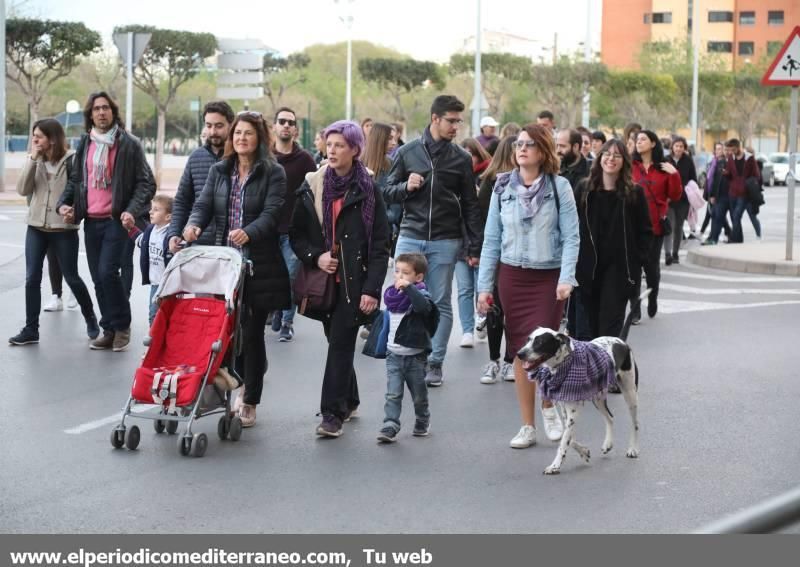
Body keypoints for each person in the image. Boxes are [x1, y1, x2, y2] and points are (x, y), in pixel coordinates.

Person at [183, 111, 290, 428]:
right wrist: (192, 225)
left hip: (258, 265)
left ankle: (250, 400)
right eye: (237, 133)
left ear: (259, 139)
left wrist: (250, 232)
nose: (241, 138)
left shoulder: (273, 172)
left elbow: (272, 214)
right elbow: (203, 205)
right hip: (224, 264)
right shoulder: (220, 170)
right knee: (226, 333)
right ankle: (232, 389)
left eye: (248, 133)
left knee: (252, 334)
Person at [476, 123, 580, 447]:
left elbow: (571, 236)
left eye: (529, 145)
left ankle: (548, 406)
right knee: (521, 352)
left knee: (543, 349)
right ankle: (527, 425)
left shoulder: (559, 187)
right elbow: (491, 239)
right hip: (512, 276)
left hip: (547, 277)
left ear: (543, 151)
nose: (521, 149)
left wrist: (566, 278)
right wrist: (484, 287)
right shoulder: (501, 187)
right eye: (519, 144)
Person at [290, 120, 390, 438]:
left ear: (355, 149)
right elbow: (297, 235)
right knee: (338, 342)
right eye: (328, 144)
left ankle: (332, 414)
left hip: (354, 282)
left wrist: (372, 289)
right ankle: (350, 398)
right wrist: (315, 256)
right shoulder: (313, 185)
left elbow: (380, 244)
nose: (332, 151)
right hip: (323, 282)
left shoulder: (368, 188)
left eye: (339, 146)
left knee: (341, 345)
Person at [383, 95, 483, 387]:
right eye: (451, 120)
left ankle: (434, 362)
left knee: (439, 302)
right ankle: (402, 355)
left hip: (446, 239)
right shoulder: (408, 152)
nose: (456, 127)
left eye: (458, 121)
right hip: (411, 234)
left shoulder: (461, 158)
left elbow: (470, 205)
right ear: (435, 118)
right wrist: (405, 186)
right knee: (401, 295)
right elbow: (386, 191)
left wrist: (473, 245)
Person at [57, 91, 155, 352]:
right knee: (98, 279)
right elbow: (77, 181)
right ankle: (108, 328)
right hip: (91, 220)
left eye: (106, 108)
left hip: (116, 220)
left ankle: (122, 325)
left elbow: (146, 183)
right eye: (96, 109)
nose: (101, 113)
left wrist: (131, 210)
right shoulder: (85, 144)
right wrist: (64, 205)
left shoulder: (128, 144)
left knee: (107, 273)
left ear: (113, 112)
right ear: (90, 115)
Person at [10, 118, 100, 346]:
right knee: (32, 278)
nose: (35, 140)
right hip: (36, 227)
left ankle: (90, 317)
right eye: (33, 136)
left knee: (71, 276)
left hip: (63, 228)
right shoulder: (35, 160)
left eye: (38, 136)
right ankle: (31, 329)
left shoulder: (71, 161)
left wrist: (73, 210)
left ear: (52, 138)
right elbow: (22, 189)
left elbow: (80, 192)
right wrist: (32, 158)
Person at [574, 139, 652, 340]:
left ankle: (609, 369)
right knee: (587, 330)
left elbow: (645, 231)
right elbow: (571, 228)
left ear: (624, 161)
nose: (611, 159)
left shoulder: (634, 193)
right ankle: (593, 371)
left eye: (617, 155)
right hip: (587, 269)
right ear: (599, 158)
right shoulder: (584, 190)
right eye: (607, 154)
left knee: (609, 329)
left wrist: (639, 262)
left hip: (619, 271)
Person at [370, 253, 439, 443]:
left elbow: (423, 308)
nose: (399, 276)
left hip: (415, 358)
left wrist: (410, 289)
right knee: (393, 393)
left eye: (405, 273)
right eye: (397, 271)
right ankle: (390, 424)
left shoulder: (421, 295)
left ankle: (422, 419)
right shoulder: (392, 295)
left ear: (418, 277)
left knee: (418, 395)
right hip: (394, 355)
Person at [271, 106, 317, 342]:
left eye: (291, 122)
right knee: (271, 276)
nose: (286, 125)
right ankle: (276, 308)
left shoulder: (305, 160)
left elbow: (314, 193)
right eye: (282, 121)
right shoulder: (265, 157)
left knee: (289, 276)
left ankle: (287, 320)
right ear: (274, 126)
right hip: (267, 230)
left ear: (296, 129)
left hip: (292, 231)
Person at [476, 136, 516, 384]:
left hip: (518, 258)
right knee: (494, 309)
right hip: (496, 254)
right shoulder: (492, 182)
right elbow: (483, 221)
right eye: (517, 149)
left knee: (512, 313)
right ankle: (493, 360)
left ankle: (511, 361)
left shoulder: (531, 183)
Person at [169, 101, 234, 253]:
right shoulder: (196, 157)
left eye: (219, 126)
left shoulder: (240, 158)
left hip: (231, 243)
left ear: (231, 125)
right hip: (198, 241)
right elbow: (182, 200)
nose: (213, 132)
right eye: (209, 125)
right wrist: (174, 233)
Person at [630, 130, 682, 322]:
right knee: (633, 271)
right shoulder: (630, 166)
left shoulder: (664, 168)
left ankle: (652, 297)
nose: (638, 142)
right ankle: (634, 309)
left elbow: (675, 196)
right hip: (632, 227)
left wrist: (675, 174)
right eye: (637, 140)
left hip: (654, 228)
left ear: (653, 144)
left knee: (652, 270)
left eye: (643, 139)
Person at [455, 138, 492, 348]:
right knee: (463, 289)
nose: (468, 159)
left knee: (482, 287)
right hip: (460, 242)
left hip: (481, 242)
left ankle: (482, 319)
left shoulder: (487, 177)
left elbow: (485, 217)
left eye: (472, 154)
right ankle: (466, 330)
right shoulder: (456, 177)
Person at [139, 195, 173, 326]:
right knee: (153, 314)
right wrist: (130, 229)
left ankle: (163, 342)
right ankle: (154, 341)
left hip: (169, 284)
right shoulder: (150, 230)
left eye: (156, 209)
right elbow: (141, 242)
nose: (150, 212)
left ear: (168, 217)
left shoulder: (171, 233)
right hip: (155, 283)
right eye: (151, 209)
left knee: (168, 314)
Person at [663, 136, 696, 265]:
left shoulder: (688, 161)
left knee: (679, 227)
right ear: (672, 147)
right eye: (676, 146)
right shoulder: (666, 160)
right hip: (669, 200)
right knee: (669, 226)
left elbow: (693, 179)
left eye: (681, 146)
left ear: (684, 148)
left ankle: (675, 253)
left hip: (682, 200)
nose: (679, 148)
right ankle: (667, 254)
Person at [722, 138, 761, 243]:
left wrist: (752, 184)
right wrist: (725, 173)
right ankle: (738, 239)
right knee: (734, 217)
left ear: (738, 147)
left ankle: (735, 239)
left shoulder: (749, 158)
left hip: (744, 193)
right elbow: (730, 173)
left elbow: (756, 175)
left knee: (737, 215)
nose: (731, 152)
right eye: (729, 150)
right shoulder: (731, 158)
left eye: (733, 150)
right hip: (732, 192)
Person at [703, 142, 733, 245]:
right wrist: (710, 195)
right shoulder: (714, 162)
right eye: (717, 149)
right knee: (716, 215)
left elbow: (719, 181)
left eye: (721, 149)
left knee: (717, 216)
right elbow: (711, 180)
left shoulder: (724, 162)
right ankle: (722, 236)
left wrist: (713, 195)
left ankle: (714, 239)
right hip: (717, 194)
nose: (719, 151)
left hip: (724, 194)